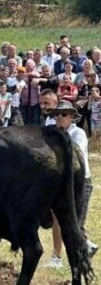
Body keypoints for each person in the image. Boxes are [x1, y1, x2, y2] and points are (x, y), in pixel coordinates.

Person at [47, 100, 97, 268]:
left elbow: (76, 156)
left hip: (80, 182)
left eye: (63, 114)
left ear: (71, 117)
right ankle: (58, 257)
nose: (59, 118)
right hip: (61, 182)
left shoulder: (78, 134)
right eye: (56, 115)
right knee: (58, 218)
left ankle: (83, 253)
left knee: (75, 222)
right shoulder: (53, 133)